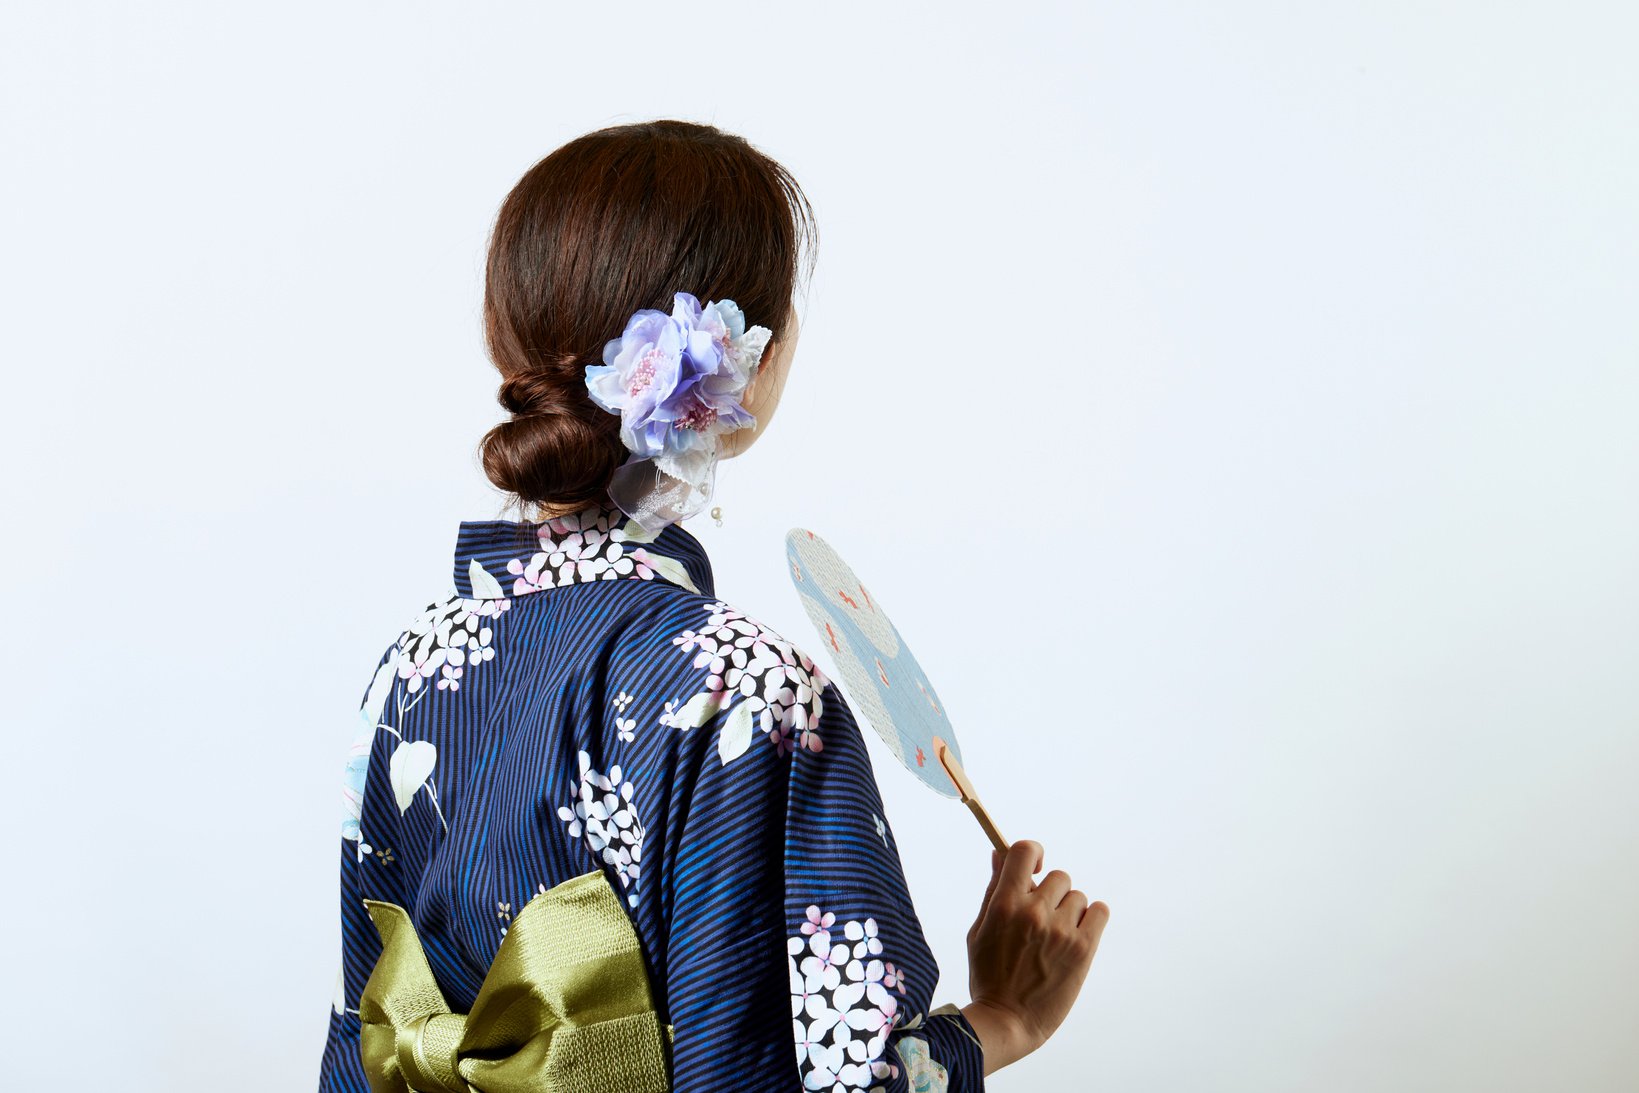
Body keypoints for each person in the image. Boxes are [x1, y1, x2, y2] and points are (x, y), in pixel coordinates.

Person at [316, 118, 1110, 1093]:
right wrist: (1005, 1017)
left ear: (507, 343)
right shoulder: (745, 689)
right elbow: (848, 1077)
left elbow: (361, 1040)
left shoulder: (412, 667)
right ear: (751, 361)